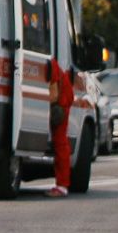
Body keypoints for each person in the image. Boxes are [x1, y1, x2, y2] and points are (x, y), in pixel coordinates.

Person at [47, 57, 74, 198]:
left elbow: (54, 94)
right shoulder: (51, 63)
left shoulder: (50, 66)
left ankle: (62, 186)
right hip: (63, 101)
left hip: (60, 105)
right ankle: (62, 184)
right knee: (61, 143)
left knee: (60, 143)